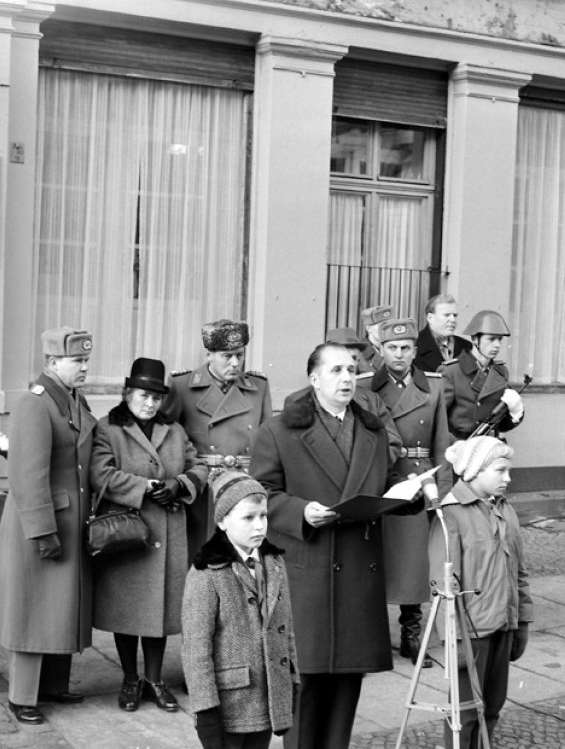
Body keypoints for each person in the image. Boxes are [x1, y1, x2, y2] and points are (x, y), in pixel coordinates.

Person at [252, 342, 408, 749]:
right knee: (305, 682)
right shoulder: (280, 430)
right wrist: (301, 512)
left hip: (358, 569)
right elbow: (260, 494)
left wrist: (412, 492)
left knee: (347, 684)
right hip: (308, 570)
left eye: (351, 371)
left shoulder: (372, 430)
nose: (346, 379)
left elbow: (391, 482)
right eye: (336, 370)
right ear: (314, 378)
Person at [0, 327, 97, 725]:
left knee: (59, 607)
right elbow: (28, 476)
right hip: (43, 520)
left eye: (86, 360)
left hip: (67, 517)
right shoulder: (35, 404)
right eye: (77, 361)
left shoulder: (69, 400)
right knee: (32, 609)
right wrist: (41, 530)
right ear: (51, 363)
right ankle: (22, 696)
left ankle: (52, 686)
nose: (84, 366)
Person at [90, 357, 207, 713]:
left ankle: (154, 680)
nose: (150, 403)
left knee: (160, 613)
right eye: (143, 395)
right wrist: (145, 487)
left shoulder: (174, 429)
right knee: (127, 610)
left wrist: (179, 484)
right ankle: (129, 679)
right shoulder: (107, 428)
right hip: (129, 532)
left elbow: (198, 465)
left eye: (156, 397)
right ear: (127, 394)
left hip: (169, 532)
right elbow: (101, 474)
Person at [182, 470, 298, 749]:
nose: (259, 526)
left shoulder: (274, 563)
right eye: (248, 518)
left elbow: (286, 628)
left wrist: (292, 679)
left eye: (263, 516)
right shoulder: (207, 574)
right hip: (230, 705)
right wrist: (206, 711)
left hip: (269, 698)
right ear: (222, 521)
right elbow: (196, 650)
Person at [429, 436, 532, 749]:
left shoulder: (506, 510)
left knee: (493, 704)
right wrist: (453, 639)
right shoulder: (452, 514)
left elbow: (520, 573)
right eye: (500, 471)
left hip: (503, 623)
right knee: (466, 711)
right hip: (471, 632)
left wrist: (522, 621)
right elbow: (443, 585)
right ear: (475, 471)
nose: (508, 478)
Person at [364, 317, 452, 668]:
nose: (398, 354)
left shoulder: (433, 387)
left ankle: (412, 634)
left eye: (405, 348)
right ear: (380, 350)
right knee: (377, 558)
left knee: (414, 562)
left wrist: (441, 489)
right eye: (391, 348)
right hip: (382, 479)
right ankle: (372, 636)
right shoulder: (366, 386)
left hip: (418, 478)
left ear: (416, 351)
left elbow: (442, 441)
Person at [163, 319, 271, 558]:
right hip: (203, 493)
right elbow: (168, 442)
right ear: (209, 355)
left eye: (240, 355)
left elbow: (267, 447)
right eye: (227, 356)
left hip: (243, 489)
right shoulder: (182, 386)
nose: (235, 363)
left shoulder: (259, 386)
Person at [284, 327, 402, 465]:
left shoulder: (372, 400)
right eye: (338, 366)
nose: (349, 364)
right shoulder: (298, 401)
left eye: (354, 359)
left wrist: (370, 468)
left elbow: (392, 443)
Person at [440, 309, 524, 440]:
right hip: (460, 448)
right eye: (491, 339)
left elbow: (502, 425)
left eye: (499, 340)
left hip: (490, 447)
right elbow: (437, 419)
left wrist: (516, 412)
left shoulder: (500, 372)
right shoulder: (452, 372)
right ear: (474, 339)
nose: (497, 345)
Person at [413, 294, 471, 372]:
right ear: (430, 318)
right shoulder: (414, 346)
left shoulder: (467, 347)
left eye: (455, 315)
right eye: (447, 315)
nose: (453, 320)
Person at [358, 304, 392, 373]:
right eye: (381, 326)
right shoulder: (359, 353)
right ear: (368, 328)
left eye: (388, 325)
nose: (386, 329)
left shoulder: (396, 349)